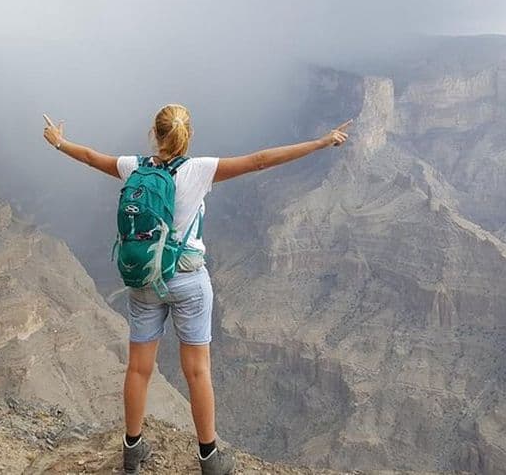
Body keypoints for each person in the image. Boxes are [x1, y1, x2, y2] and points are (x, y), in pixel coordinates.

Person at [42, 104, 350, 474]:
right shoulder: (200, 170)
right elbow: (260, 161)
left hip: (145, 279)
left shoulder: (134, 167)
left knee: (139, 369)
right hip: (188, 280)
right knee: (198, 371)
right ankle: (209, 458)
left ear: (153, 134)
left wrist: (60, 142)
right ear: (188, 136)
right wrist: (320, 142)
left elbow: (92, 158)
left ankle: (132, 451)